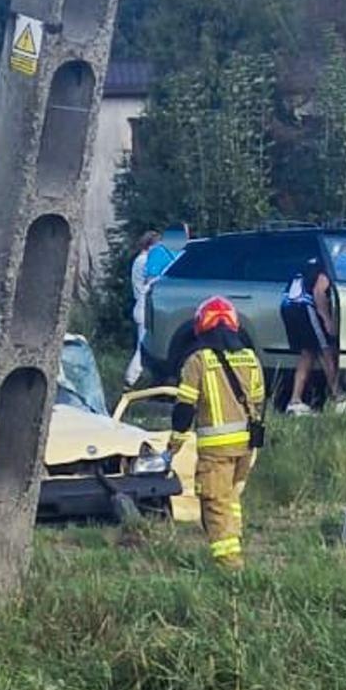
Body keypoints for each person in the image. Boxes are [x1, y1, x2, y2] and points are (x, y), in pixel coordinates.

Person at [167, 296, 265, 570]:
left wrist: (175, 441)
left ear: (202, 326)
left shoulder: (198, 361)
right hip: (246, 446)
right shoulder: (250, 359)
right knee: (232, 496)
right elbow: (258, 401)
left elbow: (185, 408)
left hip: (216, 451)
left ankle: (229, 564)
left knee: (215, 503)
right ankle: (236, 538)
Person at [279, 256, 346, 415]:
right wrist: (327, 320)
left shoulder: (305, 267)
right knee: (326, 351)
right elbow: (319, 293)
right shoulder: (325, 269)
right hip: (306, 307)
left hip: (288, 306)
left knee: (308, 353)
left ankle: (295, 401)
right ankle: (339, 399)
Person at [124, 230, 163, 387]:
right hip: (144, 307)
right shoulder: (145, 261)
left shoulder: (140, 260)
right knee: (143, 347)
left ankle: (136, 379)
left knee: (144, 346)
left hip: (141, 305)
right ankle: (130, 379)